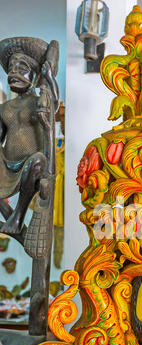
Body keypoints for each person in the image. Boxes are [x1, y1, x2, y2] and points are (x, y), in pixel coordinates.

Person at [0, 37, 59, 234]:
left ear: (34, 75)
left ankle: (17, 216)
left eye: (21, 68)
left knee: (38, 160)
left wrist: (49, 77)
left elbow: (54, 100)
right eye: (10, 68)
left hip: (31, 164)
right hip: (6, 166)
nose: (13, 73)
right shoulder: (4, 108)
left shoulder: (40, 102)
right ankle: (10, 216)